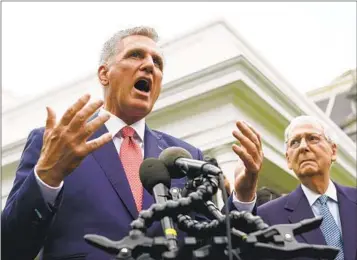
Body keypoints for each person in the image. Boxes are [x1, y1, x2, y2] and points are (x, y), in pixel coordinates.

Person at [1, 26, 261, 260]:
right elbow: (10, 248)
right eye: (136, 55)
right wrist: (48, 175)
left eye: (157, 62)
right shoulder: (56, 143)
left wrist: (244, 196)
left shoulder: (185, 156)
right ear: (104, 74)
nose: (150, 65)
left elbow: (217, 248)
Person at [230, 115, 357, 260]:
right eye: (294, 142)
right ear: (288, 159)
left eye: (312, 138)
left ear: (333, 151)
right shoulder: (268, 217)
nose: (303, 146)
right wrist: (243, 194)